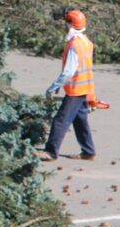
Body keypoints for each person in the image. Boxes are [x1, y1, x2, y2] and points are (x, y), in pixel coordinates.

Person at [37, 9, 97, 162]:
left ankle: (51, 152)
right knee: (80, 119)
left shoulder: (74, 45)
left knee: (60, 119)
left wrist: (54, 86)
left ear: (70, 25)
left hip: (76, 89)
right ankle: (88, 151)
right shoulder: (87, 42)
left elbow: (69, 71)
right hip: (86, 88)